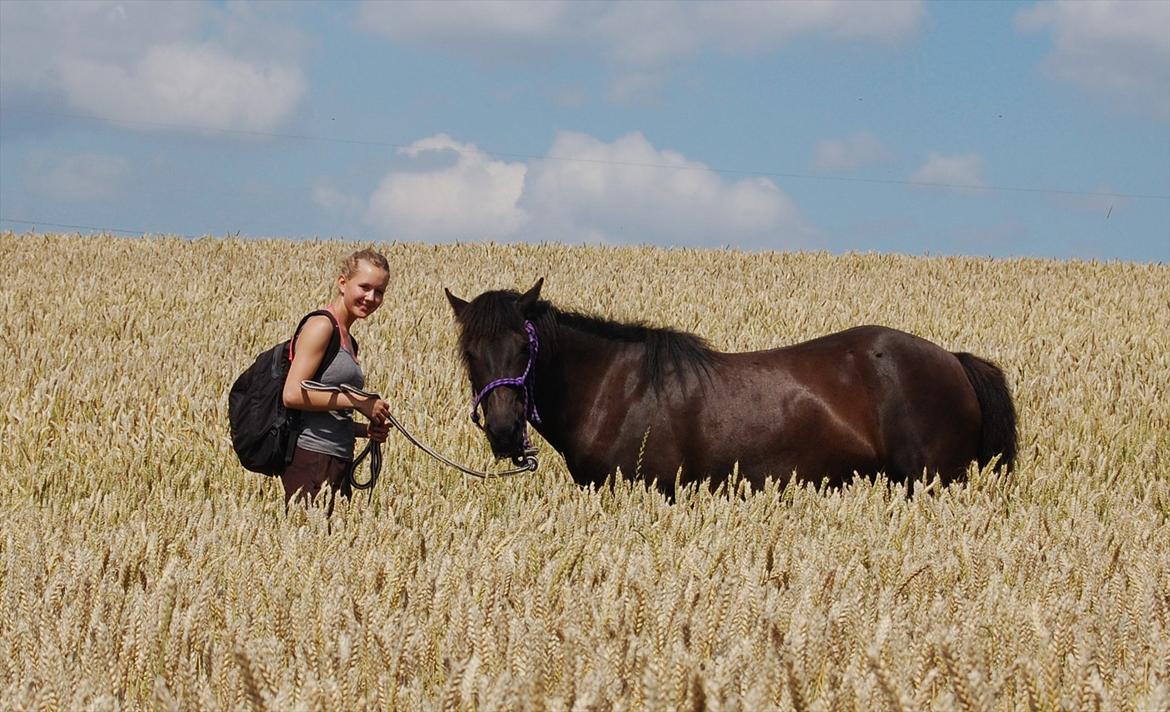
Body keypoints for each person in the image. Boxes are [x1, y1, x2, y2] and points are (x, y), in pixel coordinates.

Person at [280, 248, 392, 504]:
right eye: (364, 287)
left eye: (379, 292)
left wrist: (366, 430)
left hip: (337, 460)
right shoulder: (321, 326)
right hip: (311, 460)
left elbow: (326, 413)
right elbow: (292, 394)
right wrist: (358, 401)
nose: (371, 297)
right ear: (342, 283)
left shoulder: (349, 340)